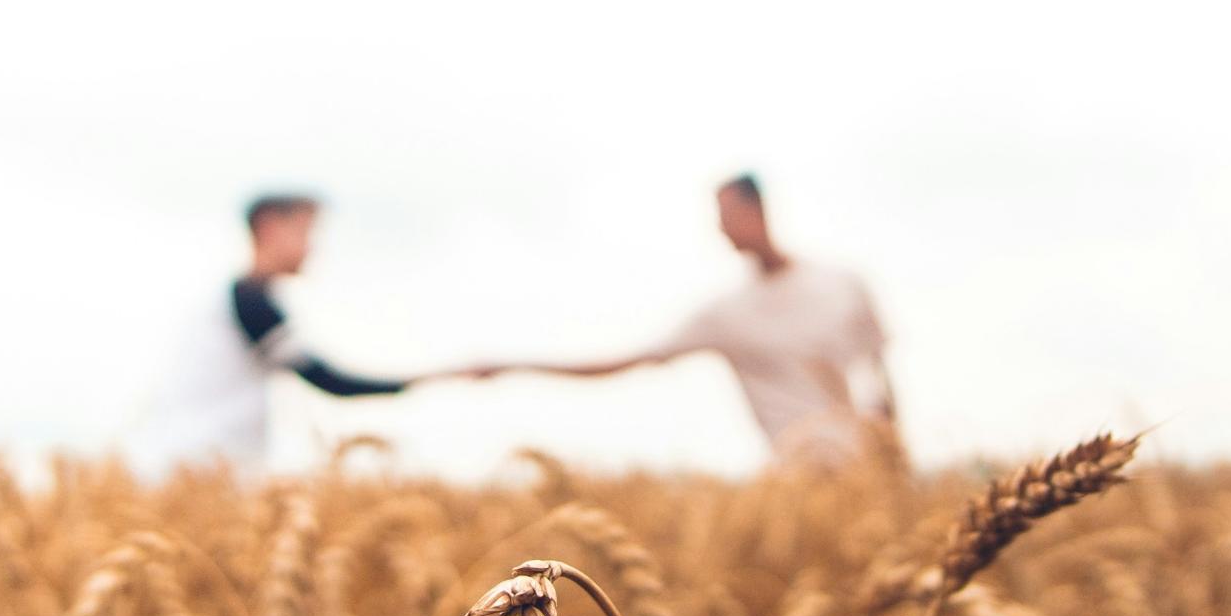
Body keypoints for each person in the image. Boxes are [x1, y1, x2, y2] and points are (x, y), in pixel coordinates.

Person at [480, 175, 899, 464]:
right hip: (796, 480)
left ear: (757, 208)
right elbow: (626, 360)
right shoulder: (726, 314)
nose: (720, 228)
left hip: (864, 476)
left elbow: (879, 376)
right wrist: (516, 365)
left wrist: (894, 453)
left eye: (726, 214)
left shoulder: (843, 283)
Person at [137, 194, 439, 475]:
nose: (312, 248)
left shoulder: (239, 301)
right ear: (269, 228)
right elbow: (329, 380)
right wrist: (437, 376)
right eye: (304, 232)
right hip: (201, 466)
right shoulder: (251, 303)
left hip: (199, 464)